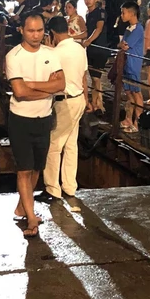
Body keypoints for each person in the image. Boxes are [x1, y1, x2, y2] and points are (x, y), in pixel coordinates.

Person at [5, 13, 64, 239]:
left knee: (37, 167)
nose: (36, 35)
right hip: (20, 119)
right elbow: (19, 92)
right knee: (24, 169)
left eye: (40, 30)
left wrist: (31, 85)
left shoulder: (51, 53)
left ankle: (22, 207)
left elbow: (61, 84)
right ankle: (31, 217)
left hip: (44, 117)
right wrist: (47, 88)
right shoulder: (14, 56)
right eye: (31, 30)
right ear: (21, 30)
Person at [39, 16, 88, 202]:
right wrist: (87, 99)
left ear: (52, 33)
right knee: (71, 144)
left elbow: (47, 79)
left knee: (54, 145)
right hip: (79, 98)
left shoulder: (55, 53)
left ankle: (52, 188)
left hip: (64, 101)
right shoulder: (79, 48)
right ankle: (69, 186)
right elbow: (84, 76)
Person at [118, 1, 145, 132]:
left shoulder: (138, 29)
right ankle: (128, 118)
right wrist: (121, 45)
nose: (121, 15)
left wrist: (122, 45)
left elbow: (125, 45)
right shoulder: (129, 28)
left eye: (123, 13)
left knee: (136, 93)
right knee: (129, 93)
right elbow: (122, 44)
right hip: (127, 63)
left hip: (134, 64)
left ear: (132, 13)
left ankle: (138, 121)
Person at [81, 0, 108, 114]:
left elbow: (99, 28)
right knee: (93, 77)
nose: (88, 0)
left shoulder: (100, 12)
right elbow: (87, 31)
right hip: (91, 49)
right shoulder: (88, 13)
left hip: (99, 48)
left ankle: (97, 104)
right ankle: (97, 102)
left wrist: (89, 41)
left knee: (96, 77)